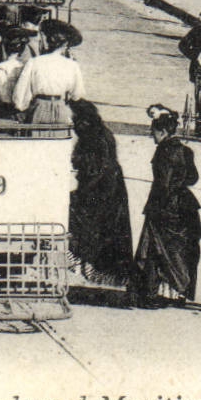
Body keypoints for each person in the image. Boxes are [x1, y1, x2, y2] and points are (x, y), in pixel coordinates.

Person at [134, 106, 201, 307]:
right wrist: (179, 184)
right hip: (185, 205)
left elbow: (162, 184)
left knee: (155, 250)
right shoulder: (186, 150)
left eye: (153, 132)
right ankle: (178, 293)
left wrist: (159, 203)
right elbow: (193, 177)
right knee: (179, 251)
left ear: (162, 132)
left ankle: (150, 293)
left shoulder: (163, 152)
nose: (151, 136)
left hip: (164, 205)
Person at [67, 99, 136, 288]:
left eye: (76, 120)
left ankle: (86, 265)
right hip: (106, 188)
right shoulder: (99, 133)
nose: (74, 125)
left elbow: (96, 171)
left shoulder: (95, 138)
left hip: (102, 191)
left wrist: (80, 194)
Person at [12, 20, 86, 125]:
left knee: (38, 138)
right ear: (65, 44)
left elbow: (22, 89)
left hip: (39, 107)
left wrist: (21, 107)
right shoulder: (72, 65)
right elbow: (77, 94)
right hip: (61, 109)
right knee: (59, 138)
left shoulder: (34, 62)